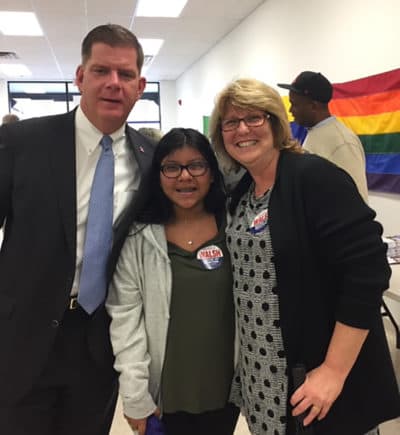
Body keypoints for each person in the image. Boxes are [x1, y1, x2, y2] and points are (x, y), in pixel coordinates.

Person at [209, 78, 400, 435]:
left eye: (254, 118)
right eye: (231, 122)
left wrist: (333, 371)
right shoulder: (243, 191)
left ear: (276, 122)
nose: (242, 129)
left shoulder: (314, 178)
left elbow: (368, 270)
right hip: (263, 377)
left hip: (317, 377)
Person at [0, 24, 156, 435]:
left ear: (140, 85)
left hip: (98, 342)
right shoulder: (22, 142)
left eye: (125, 75)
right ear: (80, 76)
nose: (113, 84)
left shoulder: (151, 159)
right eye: (101, 70)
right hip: (23, 336)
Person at [106, 127, 239, 435]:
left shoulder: (232, 227)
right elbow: (125, 320)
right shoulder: (139, 237)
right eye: (171, 167)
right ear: (158, 173)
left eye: (196, 165)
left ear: (210, 171)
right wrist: (135, 395)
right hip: (165, 396)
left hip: (225, 392)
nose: (185, 177)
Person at [277, 71, 369, 202]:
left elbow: (357, 200)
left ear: (313, 106)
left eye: (295, 104)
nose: (291, 110)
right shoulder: (315, 132)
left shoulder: (343, 143)